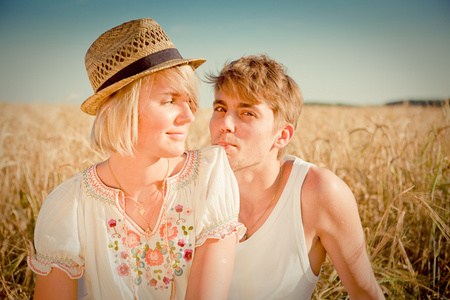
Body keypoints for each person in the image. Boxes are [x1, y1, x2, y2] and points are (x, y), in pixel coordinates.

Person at [27, 18, 245, 300]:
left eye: (189, 100)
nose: (189, 116)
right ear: (122, 109)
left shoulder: (209, 178)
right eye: (169, 100)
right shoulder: (69, 206)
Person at [208, 54, 385, 299]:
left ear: (282, 135)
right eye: (220, 108)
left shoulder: (318, 192)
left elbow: (365, 293)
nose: (225, 123)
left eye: (247, 113)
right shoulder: (192, 184)